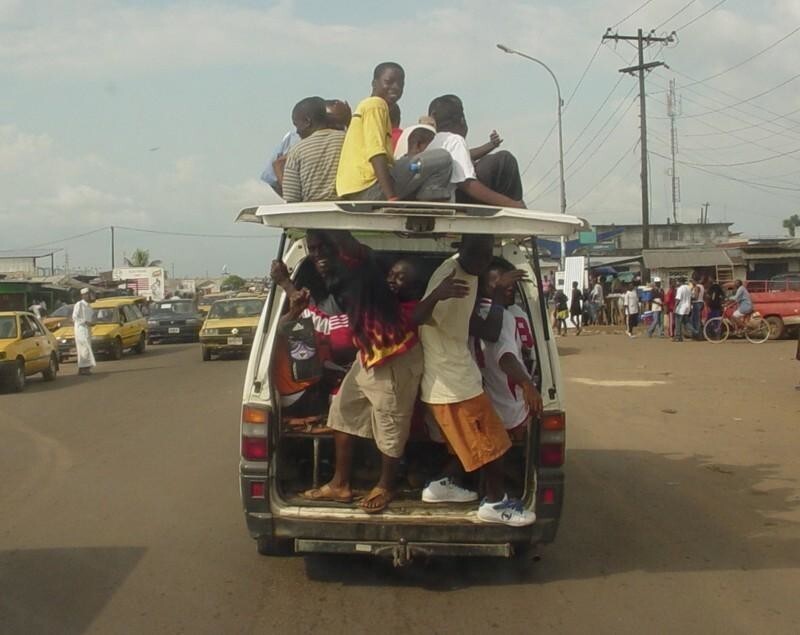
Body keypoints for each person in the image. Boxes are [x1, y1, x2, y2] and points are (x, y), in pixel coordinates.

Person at [302, 256, 469, 513]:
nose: (392, 280)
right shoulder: (379, 296)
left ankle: (385, 485)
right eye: (391, 274)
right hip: (367, 360)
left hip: (397, 365)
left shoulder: (414, 304)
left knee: (391, 426)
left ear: (414, 288)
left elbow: (415, 318)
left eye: (400, 278)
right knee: (342, 413)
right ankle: (339, 483)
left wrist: (436, 295)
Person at [418, 234, 538, 527]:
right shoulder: (450, 278)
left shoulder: (466, 274)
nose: (484, 262)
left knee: (468, 445)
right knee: (493, 443)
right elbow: (419, 317)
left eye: (488, 255)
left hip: (456, 380)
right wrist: (437, 295)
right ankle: (495, 504)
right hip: (453, 383)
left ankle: (442, 485)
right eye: (480, 255)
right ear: (463, 249)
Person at [336, 62, 452, 202]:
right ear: (374, 83)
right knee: (442, 158)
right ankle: (427, 195)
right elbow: (376, 153)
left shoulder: (364, 107)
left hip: (353, 190)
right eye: (388, 82)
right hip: (370, 187)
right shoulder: (376, 105)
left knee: (408, 162)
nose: (395, 88)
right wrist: (391, 197)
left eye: (400, 84)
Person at [473, 259, 540, 442]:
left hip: (486, 399)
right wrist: (527, 385)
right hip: (508, 405)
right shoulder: (504, 317)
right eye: (500, 282)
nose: (509, 286)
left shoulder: (474, 315)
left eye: (510, 281)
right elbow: (506, 357)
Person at [426, 94, 525, 208]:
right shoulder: (455, 140)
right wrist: (512, 204)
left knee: (482, 163)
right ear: (462, 121)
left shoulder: (432, 142)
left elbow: (464, 156)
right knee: (504, 160)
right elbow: (467, 184)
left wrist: (490, 145)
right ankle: (516, 213)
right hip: (454, 201)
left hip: (437, 199)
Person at [281, 97, 346, 203]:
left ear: (307, 121)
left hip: (312, 213)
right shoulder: (345, 139)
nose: (297, 131)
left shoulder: (297, 150)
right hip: (347, 211)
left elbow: (291, 197)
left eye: (297, 124)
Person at [72, 288, 96, 376]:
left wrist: (92, 323)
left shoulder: (89, 306)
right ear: (83, 295)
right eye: (87, 294)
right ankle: (83, 368)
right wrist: (85, 322)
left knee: (86, 349)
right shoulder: (79, 304)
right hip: (81, 330)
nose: (89, 296)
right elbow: (75, 317)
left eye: (89, 294)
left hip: (88, 330)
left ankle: (85, 368)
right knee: (84, 349)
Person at [673, 277, 694, 342]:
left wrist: (675, 307)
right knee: (686, 322)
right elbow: (691, 298)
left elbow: (678, 299)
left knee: (678, 323)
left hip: (680, 308)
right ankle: (696, 332)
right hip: (687, 307)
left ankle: (678, 337)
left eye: (677, 282)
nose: (677, 283)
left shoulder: (680, 289)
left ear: (679, 282)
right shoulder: (688, 288)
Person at [691, 276, 705, 340]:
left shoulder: (697, 287)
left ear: (694, 280)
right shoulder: (702, 286)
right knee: (698, 320)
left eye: (692, 281)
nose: (691, 282)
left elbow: (696, 297)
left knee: (696, 320)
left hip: (697, 303)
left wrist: (689, 298)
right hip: (701, 302)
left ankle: (697, 335)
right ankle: (700, 334)